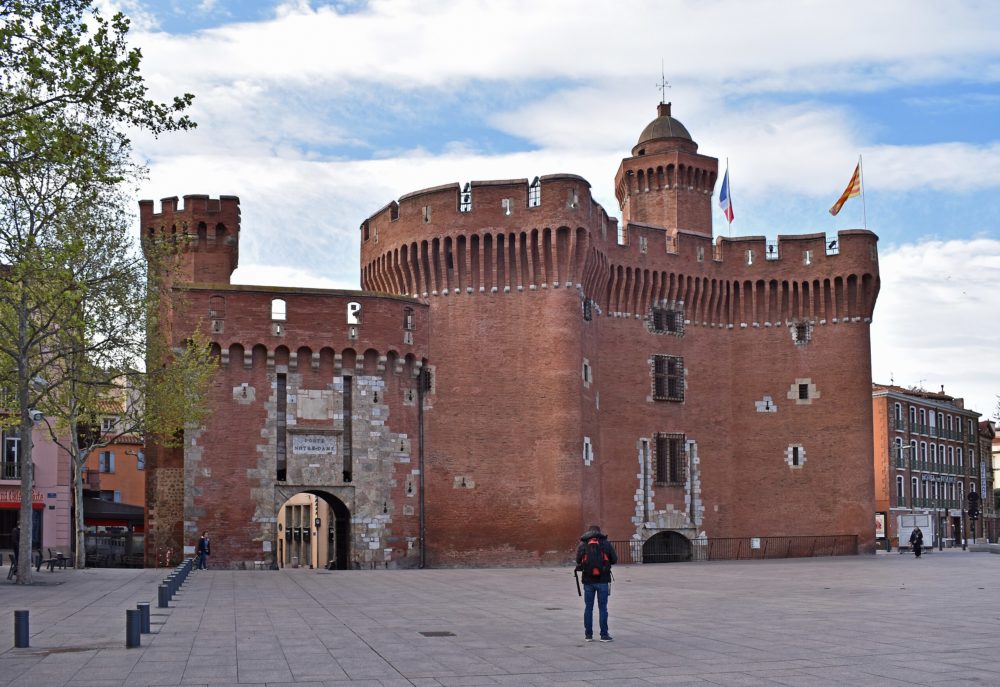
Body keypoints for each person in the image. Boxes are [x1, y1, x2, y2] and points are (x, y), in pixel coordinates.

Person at [575, 524, 618, 642]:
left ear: (588, 533)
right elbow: (614, 560)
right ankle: (604, 635)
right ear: (599, 532)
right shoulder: (606, 543)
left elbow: (578, 560)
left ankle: (588, 635)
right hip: (603, 580)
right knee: (603, 608)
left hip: (588, 581)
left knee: (588, 607)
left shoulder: (583, 544)